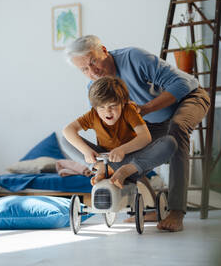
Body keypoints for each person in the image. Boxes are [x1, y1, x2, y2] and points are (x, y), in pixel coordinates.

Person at [65, 35, 210, 232]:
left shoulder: (133, 57)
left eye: (93, 62)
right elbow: (107, 132)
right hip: (152, 121)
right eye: (84, 69)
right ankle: (149, 206)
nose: (93, 71)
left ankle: (176, 211)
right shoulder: (94, 89)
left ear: (104, 50)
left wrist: (146, 109)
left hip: (189, 97)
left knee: (177, 130)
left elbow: (182, 84)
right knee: (128, 149)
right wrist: (104, 160)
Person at [63, 76, 178, 189]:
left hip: (132, 159)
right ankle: (101, 168)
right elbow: (68, 130)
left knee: (169, 142)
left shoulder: (129, 110)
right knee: (66, 140)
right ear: (95, 107)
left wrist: (122, 150)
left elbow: (145, 137)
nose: (107, 111)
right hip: (105, 158)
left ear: (123, 103)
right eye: (101, 107)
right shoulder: (93, 114)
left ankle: (123, 170)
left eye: (112, 106)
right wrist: (86, 151)